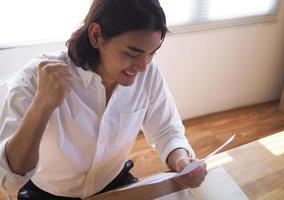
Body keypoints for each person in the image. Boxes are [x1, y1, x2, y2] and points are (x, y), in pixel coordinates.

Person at [0, 0, 207, 199]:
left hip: (113, 182)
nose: (143, 67)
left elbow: (166, 130)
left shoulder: (148, 72)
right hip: (49, 192)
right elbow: (8, 178)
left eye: (151, 54)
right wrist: (42, 105)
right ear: (97, 35)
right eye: (132, 53)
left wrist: (181, 159)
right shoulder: (36, 78)